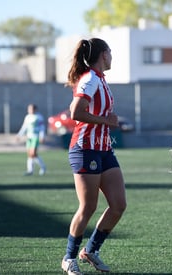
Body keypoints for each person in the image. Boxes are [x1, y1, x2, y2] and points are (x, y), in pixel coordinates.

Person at [61, 38, 127, 275]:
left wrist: (111, 121)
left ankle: (91, 251)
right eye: (110, 52)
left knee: (118, 205)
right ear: (103, 54)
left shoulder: (101, 80)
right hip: (85, 148)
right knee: (88, 206)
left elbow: (100, 114)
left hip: (104, 149)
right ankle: (69, 258)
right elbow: (75, 112)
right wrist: (105, 121)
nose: (112, 56)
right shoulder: (89, 79)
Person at [16, 104, 46, 176]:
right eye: (29, 109)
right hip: (29, 137)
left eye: (31, 109)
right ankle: (30, 170)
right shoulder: (27, 117)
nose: (29, 110)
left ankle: (43, 167)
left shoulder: (39, 117)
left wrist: (42, 136)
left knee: (33, 153)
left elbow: (42, 127)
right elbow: (24, 127)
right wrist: (19, 135)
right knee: (30, 155)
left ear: (35, 109)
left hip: (35, 137)